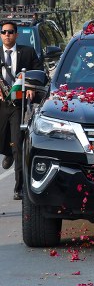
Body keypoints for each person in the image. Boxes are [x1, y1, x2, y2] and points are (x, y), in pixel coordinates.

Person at [0, 20, 43, 200]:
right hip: (1, 103)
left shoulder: (27, 52)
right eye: (4, 32)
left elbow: (39, 71)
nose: (7, 35)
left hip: (18, 104)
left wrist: (31, 86)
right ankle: (7, 151)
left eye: (10, 32)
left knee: (18, 144)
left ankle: (19, 188)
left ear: (16, 34)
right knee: (5, 141)